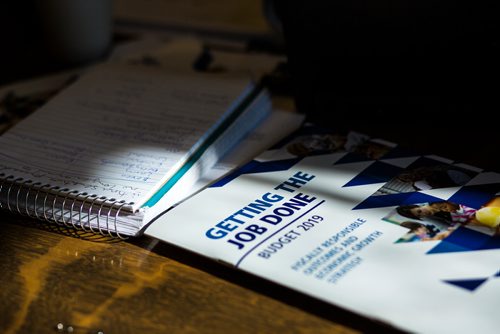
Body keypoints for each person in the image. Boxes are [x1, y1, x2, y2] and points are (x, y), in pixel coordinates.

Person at [397, 201, 500, 235]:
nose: (423, 213)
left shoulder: (435, 201)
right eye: (420, 215)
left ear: (418, 206)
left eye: (419, 211)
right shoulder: (436, 218)